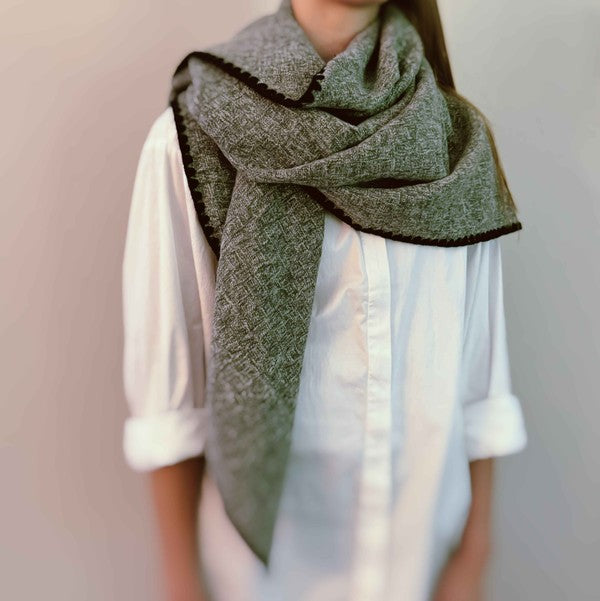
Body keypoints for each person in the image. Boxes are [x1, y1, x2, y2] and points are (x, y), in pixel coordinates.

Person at [121, 1, 528, 600]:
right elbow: (170, 403)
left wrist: (473, 557)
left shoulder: (455, 142)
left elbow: (480, 383)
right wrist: (182, 583)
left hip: (419, 566)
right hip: (257, 581)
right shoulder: (190, 139)